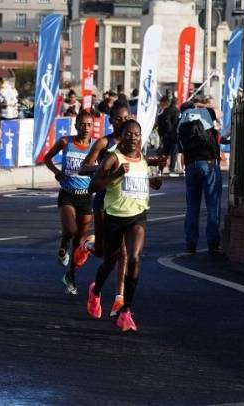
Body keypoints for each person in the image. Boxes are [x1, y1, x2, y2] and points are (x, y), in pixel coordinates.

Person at [86, 120, 163, 332]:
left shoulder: (141, 157)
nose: (132, 139)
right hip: (114, 216)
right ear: (122, 135)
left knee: (134, 257)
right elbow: (93, 186)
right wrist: (116, 174)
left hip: (137, 216)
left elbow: (145, 180)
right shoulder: (113, 158)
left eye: (136, 135)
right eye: (128, 135)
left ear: (140, 137)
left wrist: (155, 182)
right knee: (110, 260)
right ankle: (96, 290)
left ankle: (126, 310)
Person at [82, 103, 133, 316]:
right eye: (118, 119)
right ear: (111, 121)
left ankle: (118, 299)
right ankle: (88, 244)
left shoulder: (133, 144)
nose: (121, 122)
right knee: (103, 253)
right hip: (103, 201)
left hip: (123, 203)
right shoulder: (105, 142)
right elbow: (84, 167)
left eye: (125, 118)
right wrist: (105, 167)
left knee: (123, 252)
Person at [44, 110, 97, 295]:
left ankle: (71, 276)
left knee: (80, 243)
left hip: (86, 196)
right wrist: (56, 172)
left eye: (89, 125)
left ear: (93, 127)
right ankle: (62, 246)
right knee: (70, 230)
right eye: (82, 124)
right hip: (67, 194)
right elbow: (47, 158)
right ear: (76, 126)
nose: (85, 128)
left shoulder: (97, 146)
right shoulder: (66, 142)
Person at [179, 94, 223, 254]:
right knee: (213, 205)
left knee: (192, 206)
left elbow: (180, 149)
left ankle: (191, 244)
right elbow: (220, 112)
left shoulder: (180, 123)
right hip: (209, 163)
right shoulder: (203, 113)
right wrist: (203, 106)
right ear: (194, 106)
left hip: (191, 165)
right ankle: (213, 243)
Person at [156, 96, 181, 175]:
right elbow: (177, 123)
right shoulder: (177, 111)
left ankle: (161, 169)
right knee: (174, 153)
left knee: (164, 153)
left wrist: (162, 134)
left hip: (166, 135)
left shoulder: (165, 110)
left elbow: (161, 122)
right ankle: (172, 169)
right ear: (176, 103)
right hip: (174, 136)